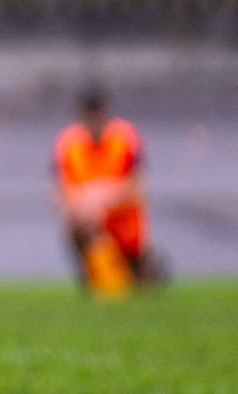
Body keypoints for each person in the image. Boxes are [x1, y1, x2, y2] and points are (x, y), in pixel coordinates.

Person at [52, 86, 164, 294]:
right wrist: (80, 205)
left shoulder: (125, 138)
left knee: (147, 288)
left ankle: (139, 267)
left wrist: (105, 197)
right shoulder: (68, 144)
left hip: (127, 229)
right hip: (93, 229)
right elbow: (58, 194)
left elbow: (141, 187)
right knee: (80, 227)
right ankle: (100, 273)